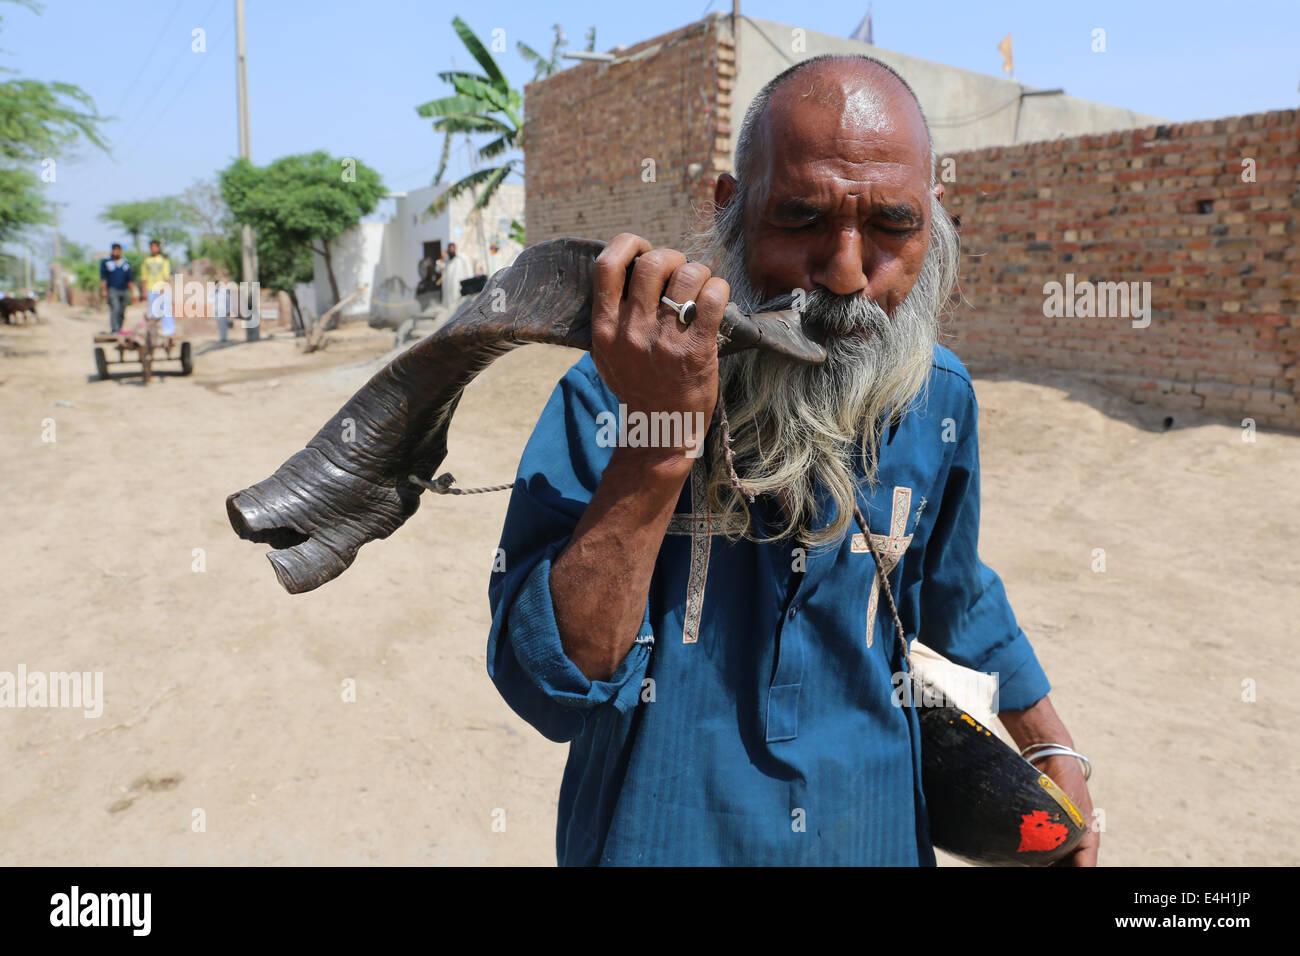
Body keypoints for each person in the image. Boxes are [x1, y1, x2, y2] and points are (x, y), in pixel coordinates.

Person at [487, 55, 1098, 866]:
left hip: (872, 831)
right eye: (801, 218)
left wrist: (1054, 755)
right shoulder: (612, 394)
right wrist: (660, 445)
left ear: (934, 220)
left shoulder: (936, 397)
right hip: (663, 830)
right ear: (731, 211)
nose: (845, 273)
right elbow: (549, 686)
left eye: (891, 225)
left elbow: (952, 589)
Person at [100, 243, 138, 333]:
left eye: (118, 250)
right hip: (112, 289)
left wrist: (133, 293)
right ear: (112, 251)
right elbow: (103, 278)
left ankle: (119, 329)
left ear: (120, 251)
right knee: (115, 308)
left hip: (124, 290)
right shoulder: (106, 262)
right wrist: (104, 290)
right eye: (114, 250)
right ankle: (115, 330)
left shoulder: (125, 263)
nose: (116, 252)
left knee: (122, 311)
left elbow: (130, 279)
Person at [140, 239, 174, 336]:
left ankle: (169, 330)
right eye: (151, 247)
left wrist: (163, 287)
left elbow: (166, 275)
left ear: (159, 248)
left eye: (155, 247)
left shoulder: (163, 260)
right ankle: (153, 331)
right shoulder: (146, 261)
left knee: (166, 309)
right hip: (151, 288)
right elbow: (144, 277)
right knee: (152, 311)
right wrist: (143, 291)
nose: (153, 249)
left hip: (162, 288)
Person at [439, 242, 472, 311]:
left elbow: (469, 272)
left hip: (458, 290)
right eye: (449, 249)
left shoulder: (461, 259)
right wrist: (442, 258)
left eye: (452, 249)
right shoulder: (446, 261)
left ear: (455, 249)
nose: (451, 250)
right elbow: (438, 268)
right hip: (448, 292)